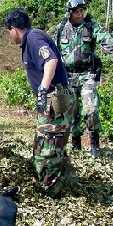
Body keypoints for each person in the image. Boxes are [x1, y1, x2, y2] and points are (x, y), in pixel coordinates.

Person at [4, 8, 76, 198]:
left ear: (14, 29)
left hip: (55, 98)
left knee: (47, 151)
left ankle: (52, 193)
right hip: (53, 100)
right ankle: (67, 180)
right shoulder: (31, 39)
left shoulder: (34, 38)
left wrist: (43, 89)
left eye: (8, 32)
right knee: (47, 144)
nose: (10, 37)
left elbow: (50, 61)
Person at [52, 0, 113, 157]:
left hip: (87, 75)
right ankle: (76, 143)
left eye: (82, 11)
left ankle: (94, 144)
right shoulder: (61, 29)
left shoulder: (91, 26)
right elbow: (51, 50)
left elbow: (106, 39)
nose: (80, 14)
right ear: (70, 13)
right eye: (76, 12)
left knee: (91, 109)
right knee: (71, 113)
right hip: (67, 76)